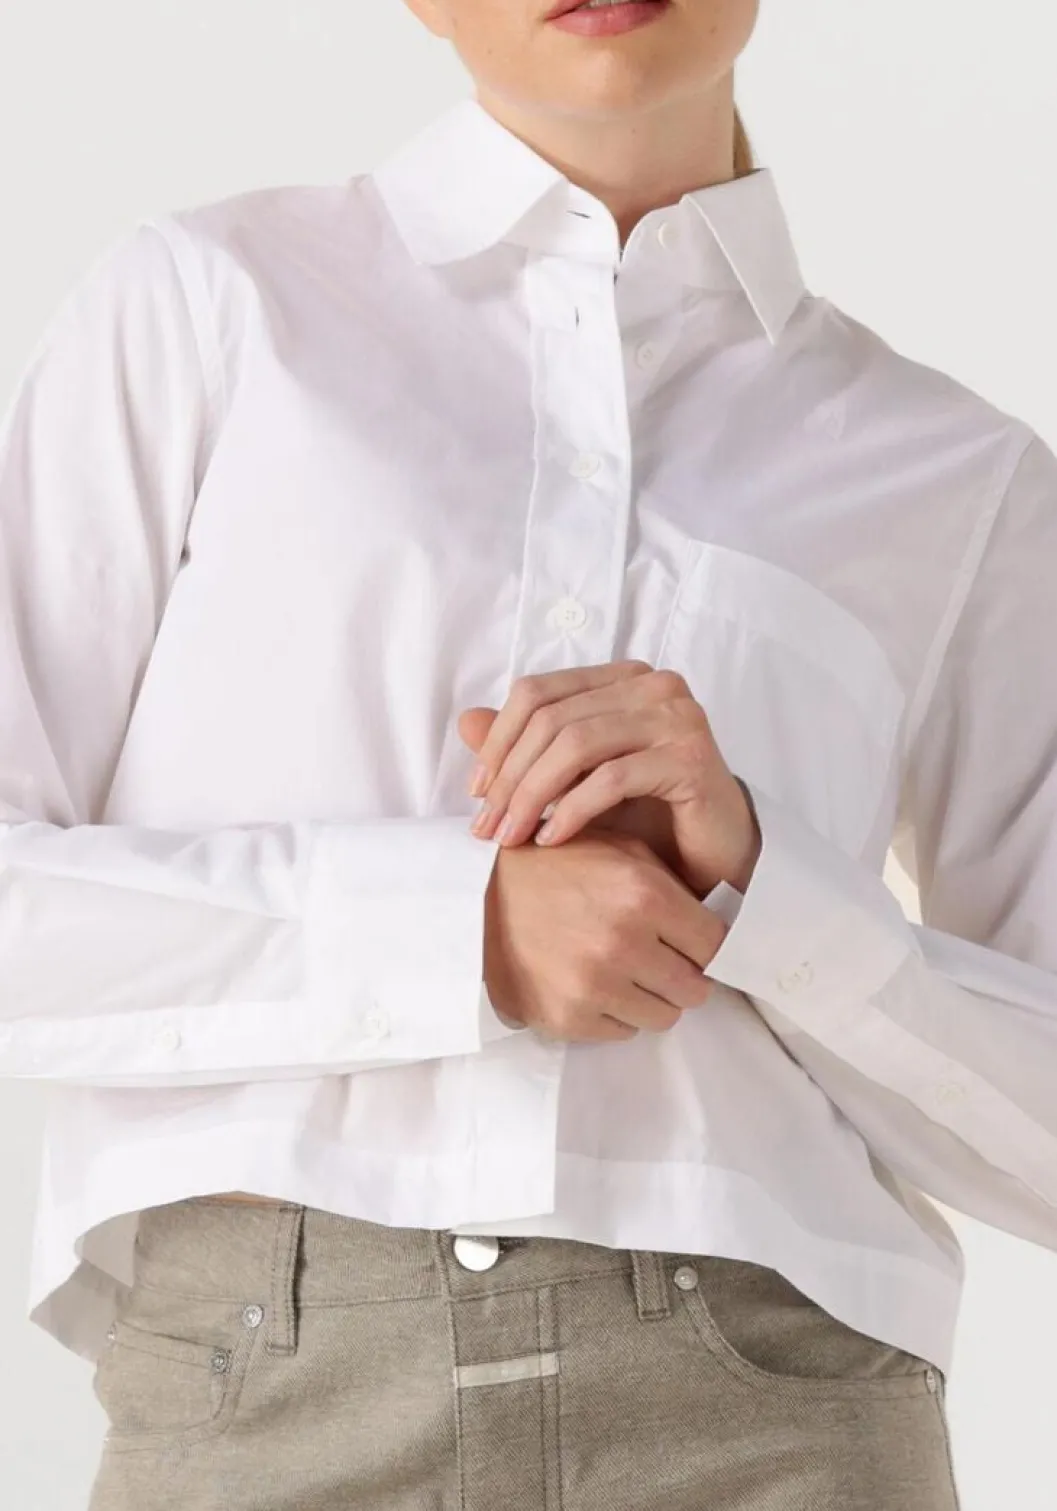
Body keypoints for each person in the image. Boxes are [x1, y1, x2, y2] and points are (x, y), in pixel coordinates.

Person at [1, 0, 1055, 1505]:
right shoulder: (209, 308)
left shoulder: (962, 478)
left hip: (782, 1413)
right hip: (269, 1384)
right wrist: (458, 928)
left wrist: (766, 888)